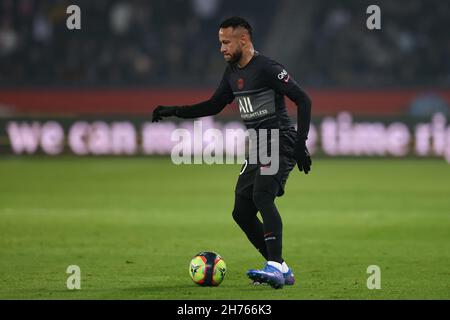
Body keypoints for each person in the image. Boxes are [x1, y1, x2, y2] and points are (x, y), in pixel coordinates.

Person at [152, 16, 312, 289]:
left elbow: (303, 99)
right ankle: (281, 267)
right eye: (220, 42)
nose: (222, 48)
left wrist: (300, 146)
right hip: (258, 145)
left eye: (226, 42)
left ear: (243, 40)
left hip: (277, 139)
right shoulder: (232, 73)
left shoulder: (268, 68)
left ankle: (273, 266)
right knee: (241, 211)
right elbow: (214, 106)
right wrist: (173, 110)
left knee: (262, 195)